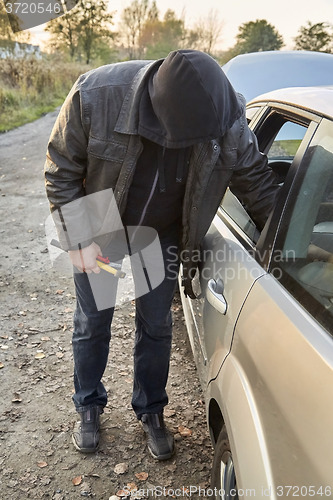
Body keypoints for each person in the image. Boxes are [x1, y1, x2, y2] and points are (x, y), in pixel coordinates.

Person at [44, 49, 279, 460]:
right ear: (161, 114)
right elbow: (61, 167)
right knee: (93, 321)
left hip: (162, 236)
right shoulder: (97, 95)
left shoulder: (225, 118)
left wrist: (289, 241)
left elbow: (257, 183)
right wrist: (78, 240)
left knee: (156, 325)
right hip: (101, 229)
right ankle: (88, 405)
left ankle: (150, 409)